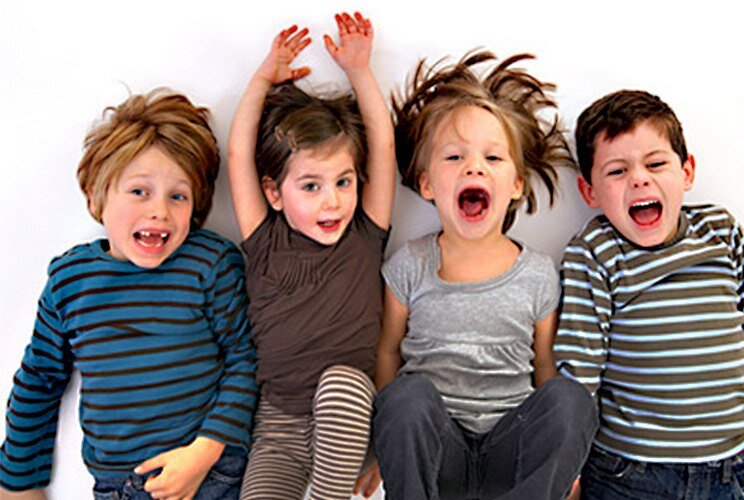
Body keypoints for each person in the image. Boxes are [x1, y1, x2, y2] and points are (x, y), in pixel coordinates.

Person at [0, 89, 257, 499]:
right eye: (140, 191)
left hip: (210, 471)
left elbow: (245, 357)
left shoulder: (210, 262)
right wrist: (17, 484)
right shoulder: (69, 281)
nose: (160, 211)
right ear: (97, 195)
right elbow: (40, 379)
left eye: (178, 196)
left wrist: (205, 451)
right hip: (120, 485)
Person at [372, 51, 597, 500]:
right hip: (440, 453)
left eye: (493, 157)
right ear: (427, 183)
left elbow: (544, 369)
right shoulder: (409, 266)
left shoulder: (538, 274)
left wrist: (562, 460)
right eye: (454, 156)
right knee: (405, 396)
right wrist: (384, 452)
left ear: (515, 185)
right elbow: (387, 353)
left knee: (572, 400)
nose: (474, 167)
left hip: (510, 456)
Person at [554, 89, 744, 499]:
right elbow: (579, 373)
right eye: (617, 171)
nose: (639, 178)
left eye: (656, 164)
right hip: (628, 473)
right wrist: (567, 468)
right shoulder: (594, 252)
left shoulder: (722, 234)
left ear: (687, 171)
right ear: (589, 191)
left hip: (731, 469)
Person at [226, 12, 395, 499]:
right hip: (278, 425)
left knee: (342, 383)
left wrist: (360, 71)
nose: (333, 201)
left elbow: (383, 145)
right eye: (311, 186)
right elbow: (238, 156)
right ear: (274, 193)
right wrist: (262, 79)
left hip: (347, 417)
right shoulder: (264, 240)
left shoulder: (364, 235)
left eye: (343, 182)